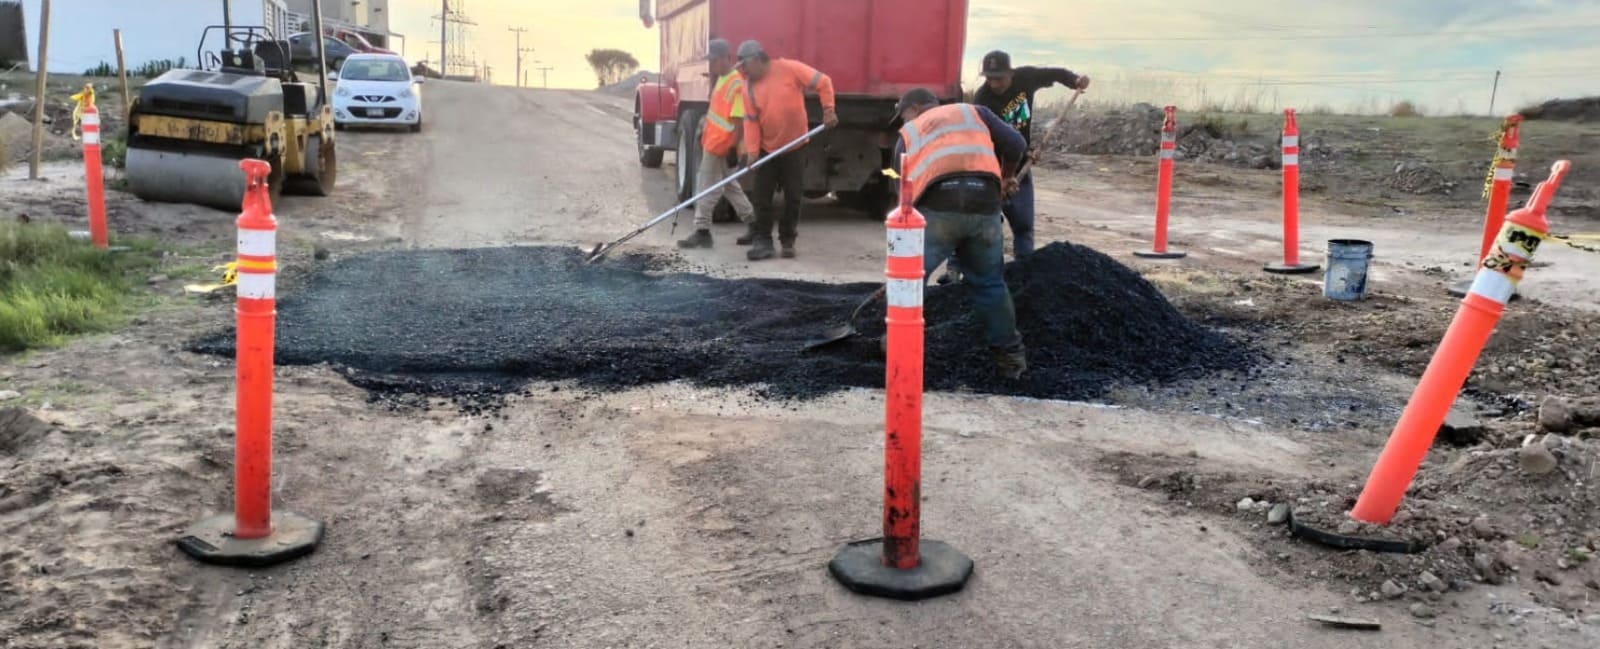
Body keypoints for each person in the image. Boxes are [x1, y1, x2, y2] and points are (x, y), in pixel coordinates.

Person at [889, 88, 1029, 379]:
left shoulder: (909, 132)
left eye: (902, 114)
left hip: (938, 208)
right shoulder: (973, 112)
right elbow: (1016, 142)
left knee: (911, 280)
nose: (903, 119)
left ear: (913, 108)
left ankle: (896, 348)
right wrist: (1006, 177)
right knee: (990, 283)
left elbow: (902, 191)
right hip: (985, 206)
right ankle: (1011, 360)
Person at [940, 50, 1090, 283]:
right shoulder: (983, 100)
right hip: (990, 169)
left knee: (1023, 226)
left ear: (1011, 73)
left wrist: (1075, 81)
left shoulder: (1026, 77)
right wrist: (1002, 178)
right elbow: (986, 142)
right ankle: (954, 269)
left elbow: (1056, 73)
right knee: (979, 219)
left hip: (1020, 166)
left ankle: (1023, 275)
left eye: (999, 77)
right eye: (990, 78)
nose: (994, 83)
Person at [735, 40, 838, 261]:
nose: (743, 70)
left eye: (744, 65)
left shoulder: (789, 69)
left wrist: (828, 109)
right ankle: (763, 241)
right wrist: (752, 151)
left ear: (756, 59)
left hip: (795, 146)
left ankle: (788, 239)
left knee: (793, 195)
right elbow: (751, 121)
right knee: (762, 197)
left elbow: (823, 82)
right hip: (767, 149)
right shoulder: (748, 87)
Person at [677, 38, 755, 249]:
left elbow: (738, 120)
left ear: (723, 59)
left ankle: (702, 230)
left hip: (722, 145)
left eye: (713, 61)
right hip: (713, 142)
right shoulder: (722, 78)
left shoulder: (736, 84)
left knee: (706, 187)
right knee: (730, 186)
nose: (710, 65)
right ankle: (753, 223)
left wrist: (733, 147)